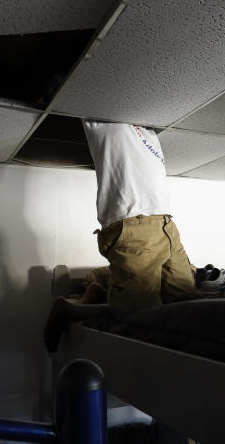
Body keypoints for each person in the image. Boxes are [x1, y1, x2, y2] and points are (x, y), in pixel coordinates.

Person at [44, 121, 197, 352]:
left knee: (184, 299)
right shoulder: (110, 122)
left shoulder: (148, 130)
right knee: (141, 316)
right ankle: (70, 310)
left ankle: (102, 287)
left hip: (167, 225)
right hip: (133, 224)